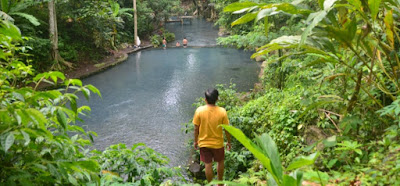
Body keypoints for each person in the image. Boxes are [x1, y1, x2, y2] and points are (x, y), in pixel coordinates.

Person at [193, 88, 231, 185]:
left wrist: (195, 141)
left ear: (205, 99)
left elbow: (196, 128)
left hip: (204, 143)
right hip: (218, 143)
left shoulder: (199, 111)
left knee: (207, 165)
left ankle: (211, 184)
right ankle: (220, 183)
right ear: (217, 99)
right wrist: (229, 142)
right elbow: (227, 129)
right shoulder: (222, 111)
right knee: (220, 162)